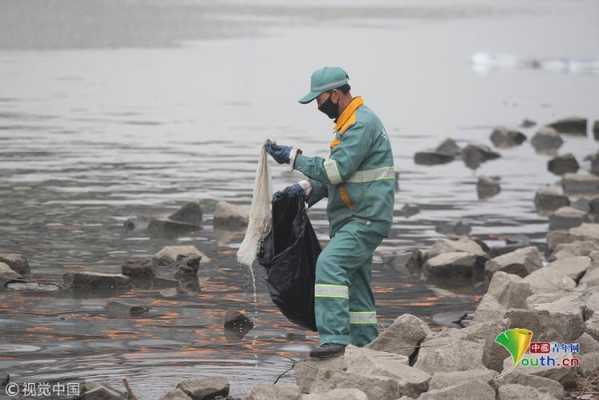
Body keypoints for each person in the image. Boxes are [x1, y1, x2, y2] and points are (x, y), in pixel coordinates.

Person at [265, 66, 395, 359]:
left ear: (335, 94)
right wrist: (304, 191)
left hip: (365, 219)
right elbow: (339, 175)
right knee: (357, 285)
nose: (317, 106)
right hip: (354, 218)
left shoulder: (360, 125)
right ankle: (366, 347)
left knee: (329, 264)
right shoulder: (349, 124)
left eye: (319, 99)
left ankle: (334, 340)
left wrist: (293, 157)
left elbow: (336, 171)